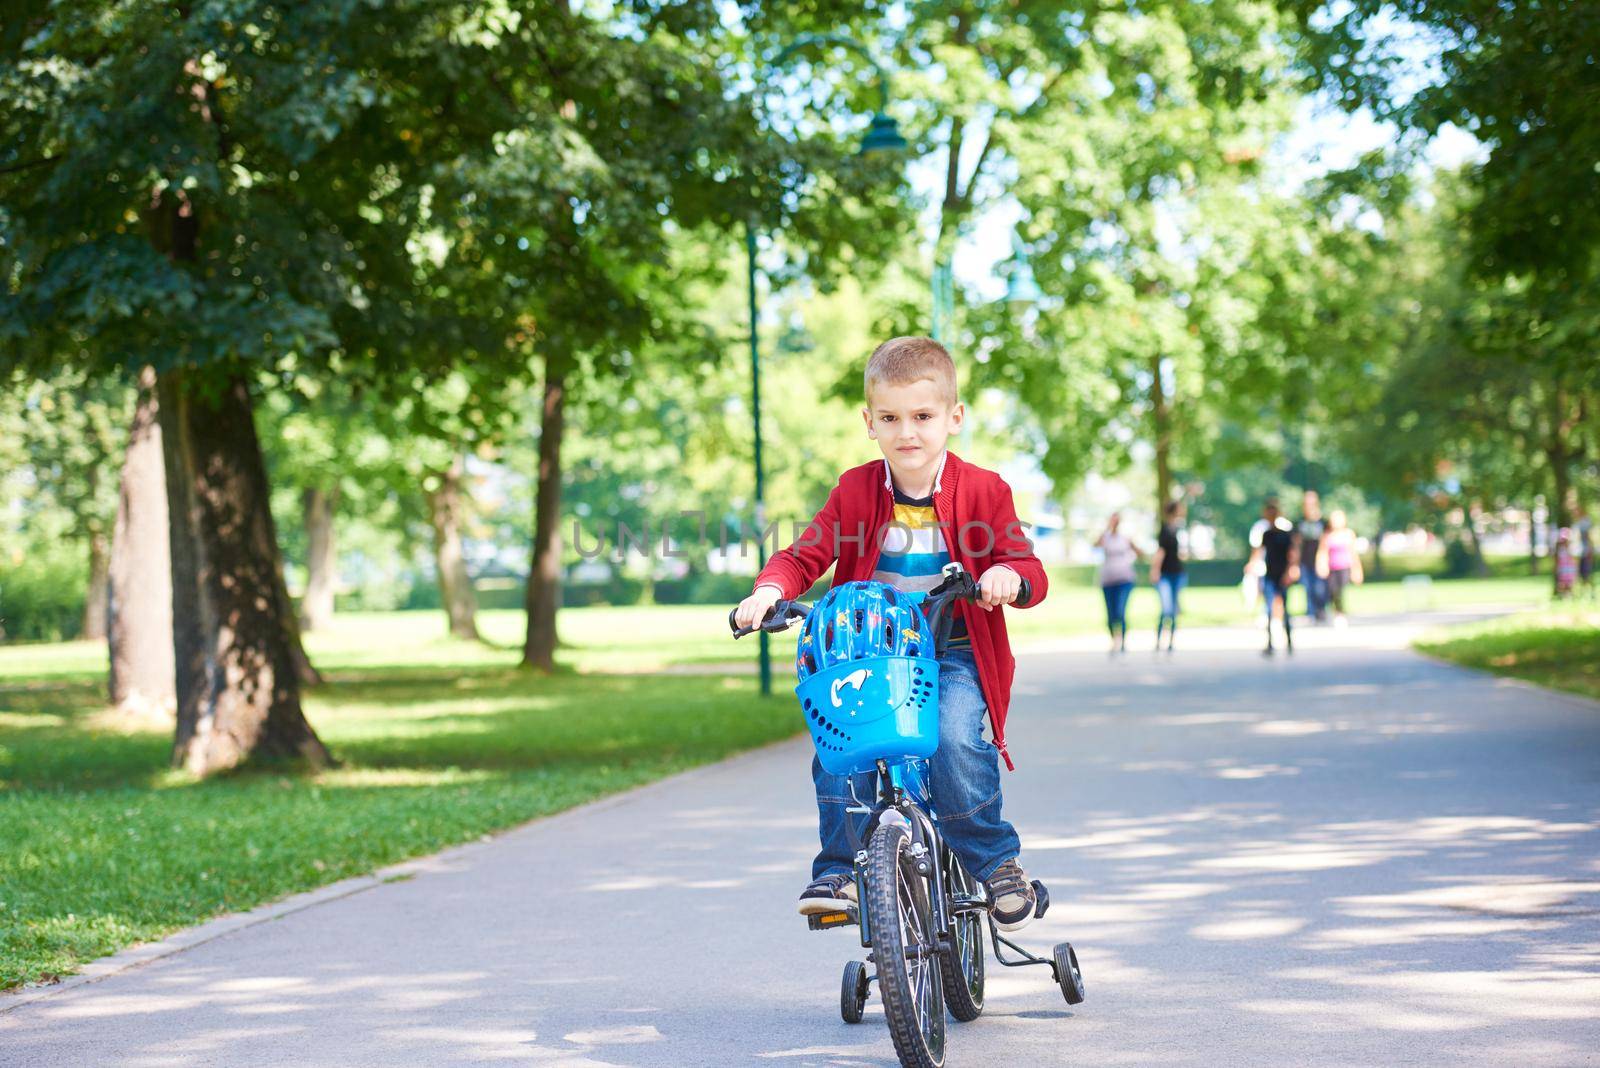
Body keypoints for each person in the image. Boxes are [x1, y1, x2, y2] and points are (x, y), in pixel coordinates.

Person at [732, 336, 1049, 931]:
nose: (908, 431)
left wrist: (1006, 575)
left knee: (955, 740)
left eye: (924, 416)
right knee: (841, 746)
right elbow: (804, 555)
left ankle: (995, 861)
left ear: (954, 417)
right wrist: (770, 591)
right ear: (869, 422)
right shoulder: (855, 492)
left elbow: (1028, 567)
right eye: (891, 418)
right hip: (874, 654)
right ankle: (841, 870)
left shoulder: (983, 490)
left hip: (953, 650)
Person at [1245, 498, 1299, 656]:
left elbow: (1292, 554)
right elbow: (1258, 552)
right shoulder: (1266, 534)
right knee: (1268, 609)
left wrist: (1290, 570)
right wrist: (1252, 564)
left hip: (1282, 574)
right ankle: (1270, 643)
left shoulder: (1286, 534)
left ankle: (1288, 640)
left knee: (1285, 609)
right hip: (1269, 574)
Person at [1096, 512, 1144, 655]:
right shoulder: (1105, 537)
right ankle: (1113, 640)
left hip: (1124, 579)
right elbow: (1095, 544)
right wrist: (1106, 528)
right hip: (1107, 580)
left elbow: (1140, 552)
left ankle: (1122, 641)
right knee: (1110, 614)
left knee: (1121, 611)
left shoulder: (1125, 538)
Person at [1316, 508, 1364, 626]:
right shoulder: (1327, 536)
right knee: (1333, 591)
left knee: (1341, 590)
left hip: (1345, 566)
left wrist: (1357, 570)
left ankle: (1341, 613)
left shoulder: (1348, 534)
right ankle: (1336, 611)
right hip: (1332, 567)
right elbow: (1322, 552)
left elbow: (1353, 553)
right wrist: (1321, 565)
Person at [1151, 500, 1186, 654]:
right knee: (1166, 608)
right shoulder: (1165, 530)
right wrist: (1155, 570)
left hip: (1177, 573)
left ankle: (1171, 642)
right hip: (1165, 574)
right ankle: (1159, 641)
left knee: (1174, 609)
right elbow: (1161, 551)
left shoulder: (1178, 529)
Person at [1298, 490, 1328, 623]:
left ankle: (1321, 610)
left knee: (1320, 587)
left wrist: (1322, 559)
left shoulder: (1322, 522)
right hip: (1305, 560)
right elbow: (1296, 543)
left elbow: (1325, 541)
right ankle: (1311, 613)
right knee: (1308, 587)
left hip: (1319, 559)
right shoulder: (1300, 522)